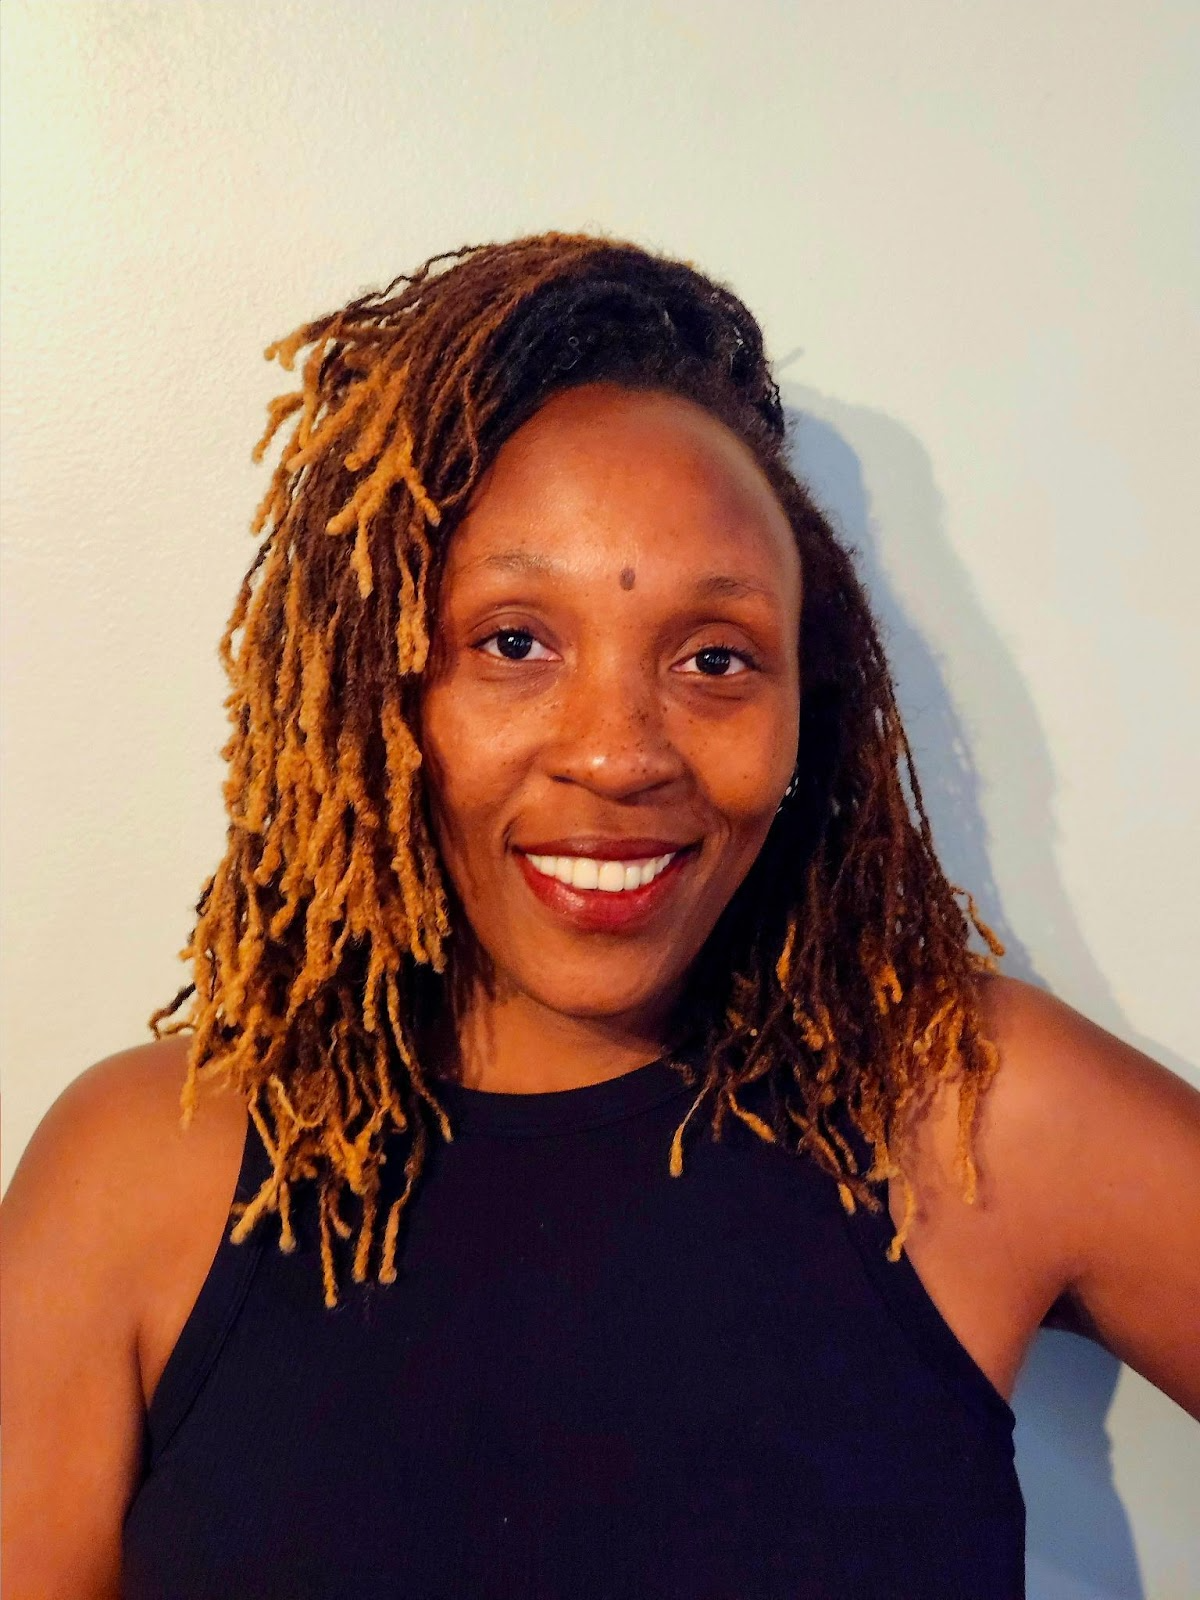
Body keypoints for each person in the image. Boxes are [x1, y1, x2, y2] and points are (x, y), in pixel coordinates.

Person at [2, 233, 1197, 1599]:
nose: (621, 754)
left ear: (817, 712)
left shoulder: (973, 1109)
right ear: (370, 685)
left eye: (714, 658)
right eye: (514, 642)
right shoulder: (139, 1176)